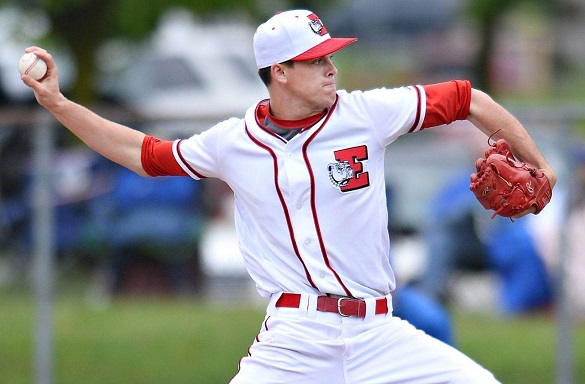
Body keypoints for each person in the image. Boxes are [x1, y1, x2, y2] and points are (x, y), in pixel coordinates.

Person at [22, 9, 556, 384]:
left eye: (331, 56)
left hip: (380, 332)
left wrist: (537, 163)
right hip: (296, 338)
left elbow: (468, 99)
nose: (331, 68)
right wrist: (59, 104)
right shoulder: (233, 143)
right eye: (316, 60)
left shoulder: (366, 113)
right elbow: (145, 153)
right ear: (280, 72)